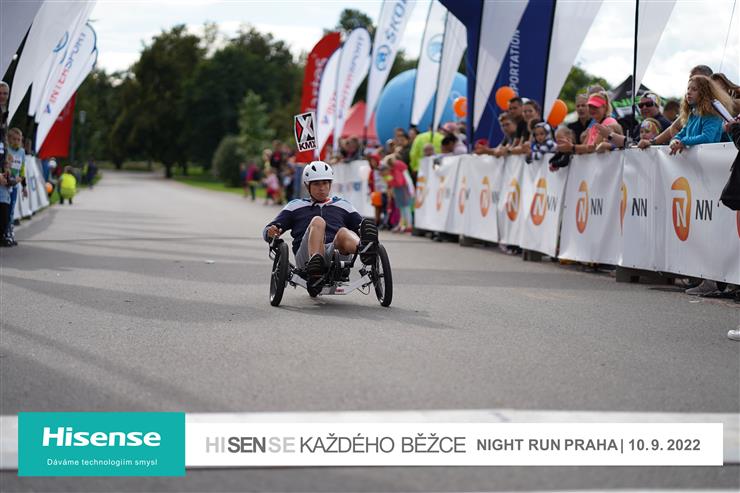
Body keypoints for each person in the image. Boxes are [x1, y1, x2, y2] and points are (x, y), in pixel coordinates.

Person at [263, 161, 378, 294]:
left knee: (344, 232)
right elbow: (269, 229)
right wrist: (271, 232)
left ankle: (365, 250)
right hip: (306, 258)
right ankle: (315, 269)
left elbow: (361, 227)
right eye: (317, 184)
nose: (322, 188)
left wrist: (364, 233)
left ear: (330, 184)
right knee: (318, 221)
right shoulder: (295, 206)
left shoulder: (343, 205)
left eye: (325, 183)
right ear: (307, 185)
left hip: (336, 255)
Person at [668, 75, 730, 156]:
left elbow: (707, 138)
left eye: (694, 89)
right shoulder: (692, 114)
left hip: (710, 158)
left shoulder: (712, 114)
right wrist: (674, 141)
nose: (688, 92)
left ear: (704, 93)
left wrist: (683, 141)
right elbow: (682, 134)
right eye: (688, 89)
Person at [5, 128, 26, 243]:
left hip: (15, 185)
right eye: (14, 139)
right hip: (4, 185)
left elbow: (22, 169)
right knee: (4, 210)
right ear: (9, 139)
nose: (16, 142)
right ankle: (4, 232)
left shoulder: (22, 152)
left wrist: (24, 186)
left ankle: (9, 233)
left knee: (11, 210)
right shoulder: (6, 149)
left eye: (19, 139)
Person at [384, 154, 413, 233]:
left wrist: (390, 180)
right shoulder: (394, 170)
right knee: (402, 208)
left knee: (405, 208)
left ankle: (408, 226)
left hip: (402, 189)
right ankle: (404, 225)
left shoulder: (396, 169)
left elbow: (399, 182)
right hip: (400, 189)